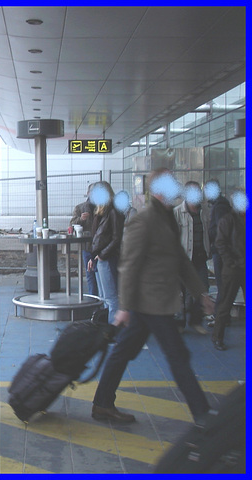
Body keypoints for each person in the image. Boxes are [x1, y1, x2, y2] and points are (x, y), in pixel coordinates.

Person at [91, 169, 215, 425]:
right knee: (177, 355)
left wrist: (200, 292)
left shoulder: (167, 217)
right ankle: (202, 413)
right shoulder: (144, 219)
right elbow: (129, 265)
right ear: (159, 189)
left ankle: (102, 404)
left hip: (153, 304)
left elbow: (180, 259)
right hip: (149, 302)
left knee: (123, 352)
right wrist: (124, 306)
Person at [173, 181, 211, 334]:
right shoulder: (177, 212)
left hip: (200, 258)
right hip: (183, 259)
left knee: (202, 289)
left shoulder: (205, 211)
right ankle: (180, 323)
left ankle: (196, 320)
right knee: (179, 292)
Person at [212, 189, 246, 351]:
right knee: (225, 304)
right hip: (233, 269)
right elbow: (220, 243)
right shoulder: (228, 220)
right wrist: (230, 262)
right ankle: (217, 337)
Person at [87, 181, 124, 324]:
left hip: (107, 258)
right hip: (100, 258)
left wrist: (101, 255)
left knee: (110, 297)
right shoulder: (102, 212)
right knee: (104, 297)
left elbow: (116, 238)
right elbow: (98, 238)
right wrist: (93, 257)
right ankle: (107, 328)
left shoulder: (114, 212)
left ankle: (113, 329)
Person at [205, 179, 232, 314]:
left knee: (222, 284)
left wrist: (213, 240)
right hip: (221, 249)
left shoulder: (220, 206)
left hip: (220, 250)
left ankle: (221, 316)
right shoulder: (220, 204)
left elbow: (221, 229)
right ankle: (221, 316)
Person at [70, 183, 98, 296]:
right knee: (90, 274)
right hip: (87, 246)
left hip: (100, 245)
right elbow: (71, 224)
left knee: (100, 275)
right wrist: (81, 219)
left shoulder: (102, 207)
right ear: (88, 193)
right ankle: (93, 298)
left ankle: (100, 300)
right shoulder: (80, 207)